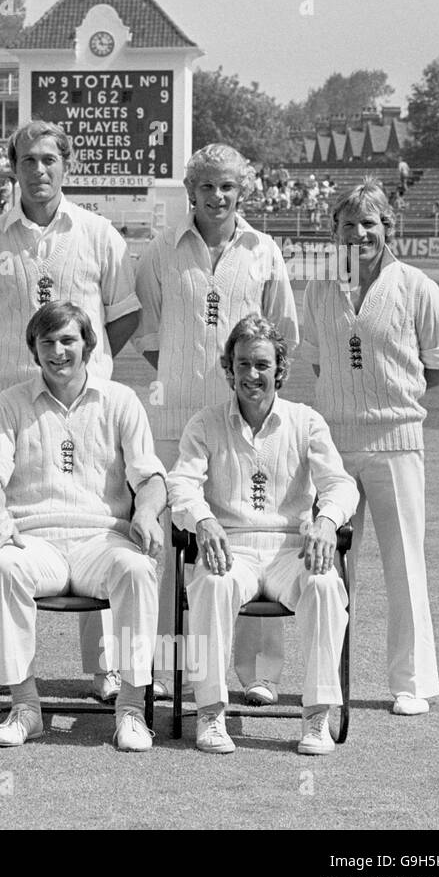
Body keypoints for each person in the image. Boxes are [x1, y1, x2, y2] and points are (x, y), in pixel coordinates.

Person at [0, 119, 142, 702]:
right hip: (14, 406)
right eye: (27, 161)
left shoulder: (98, 233)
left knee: (98, 519)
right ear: (12, 168)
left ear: (67, 166)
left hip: (88, 405)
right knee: (4, 530)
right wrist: (24, 374)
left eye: (49, 160)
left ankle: (107, 668)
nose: (38, 171)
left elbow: (123, 315)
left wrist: (80, 365)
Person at [134, 143, 299, 706]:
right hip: (176, 419)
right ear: (191, 191)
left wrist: (247, 396)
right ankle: (166, 666)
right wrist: (186, 383)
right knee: (169, 543)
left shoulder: (264, 250)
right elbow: (149, 332)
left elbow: (281, 337)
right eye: (207, 186)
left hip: (247, 422)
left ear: (241, 191)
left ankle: (256, 672)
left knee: (255, 532)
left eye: (228, 186)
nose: (218, 196)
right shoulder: (162, 251)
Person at [0, 301, 167, 750]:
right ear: (33, 350)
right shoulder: (11, 403)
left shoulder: (120, 400)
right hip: (35, 538)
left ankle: (132, 710)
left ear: (89, 345)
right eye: (48, 343)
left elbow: (151, 476)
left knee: (139, 570)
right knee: (3, 566)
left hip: (102, 538)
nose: (58, 352)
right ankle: (25, 707)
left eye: (68, 341)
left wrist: (146, 511)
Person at [168, 314, 358, 754]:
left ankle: (317, 716)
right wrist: (203, 519)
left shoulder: (306, 421)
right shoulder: (205, 422)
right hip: (230, 548)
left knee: (327, 585)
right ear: (228, 368)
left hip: (290, 549)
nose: (251, 375)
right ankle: (211, 713)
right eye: (242, 364)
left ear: (280, 369)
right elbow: (180, 485)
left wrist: (327, 521)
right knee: (211, 584)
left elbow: (341, 484)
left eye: (261, 365)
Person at [302, 181, 439, 716]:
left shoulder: (418, 287)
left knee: (404, 563)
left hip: (396, 442)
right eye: (349, 224)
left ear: (388, 227)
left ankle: (411, 683)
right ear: (335, 232)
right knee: (331, 564)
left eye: (370, 223)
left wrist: (391, 398)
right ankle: (327, 679)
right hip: (333, 445)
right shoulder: (319, 289)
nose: (360, 233)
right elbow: (322, 365)